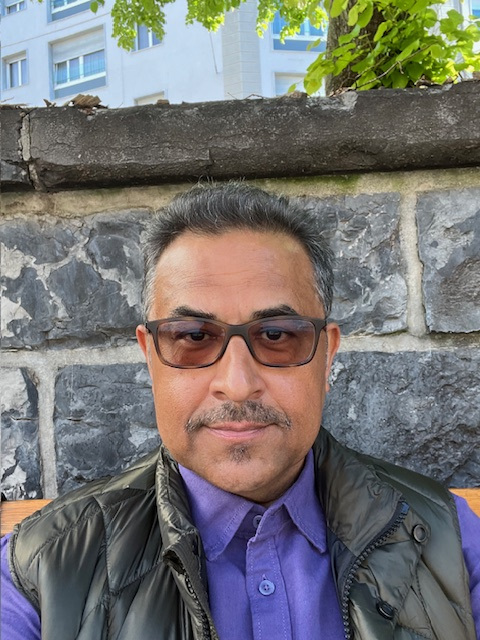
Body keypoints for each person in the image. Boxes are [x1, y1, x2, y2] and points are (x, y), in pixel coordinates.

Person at [1, 182, 479, 640]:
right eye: (193, 336)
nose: (236, 383)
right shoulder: (38, 571)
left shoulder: (446, 537)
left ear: (327, 355)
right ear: (150, 356)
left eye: (276, 335)